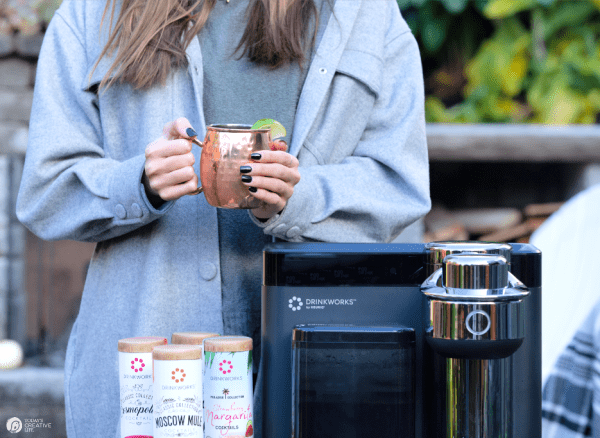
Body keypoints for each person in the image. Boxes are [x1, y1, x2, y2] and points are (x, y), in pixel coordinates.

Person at [15, 0, 431, 437]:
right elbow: (47, 190)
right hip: (156, 370)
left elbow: (398, 181)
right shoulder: (93, 12)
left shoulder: (365, 13)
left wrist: (299, 198)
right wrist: (136, 183)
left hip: (317, 368)